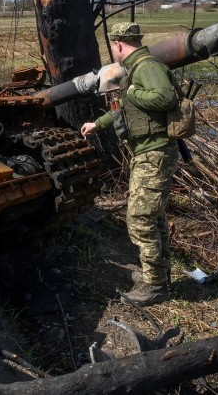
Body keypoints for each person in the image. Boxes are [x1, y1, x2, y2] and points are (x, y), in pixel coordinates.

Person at [81, 22, 179, 306]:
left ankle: (155, 286)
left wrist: (134, 92)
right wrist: (98, 124)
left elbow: (165, 97)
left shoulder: (147, 68)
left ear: (119, 44)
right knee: (154, 217)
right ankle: (157, 275)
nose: (114, 51)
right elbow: (125, 110)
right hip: (147, 152)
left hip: (155, 152)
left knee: (140, 219)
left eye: (113, 46)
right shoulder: (137, 69)